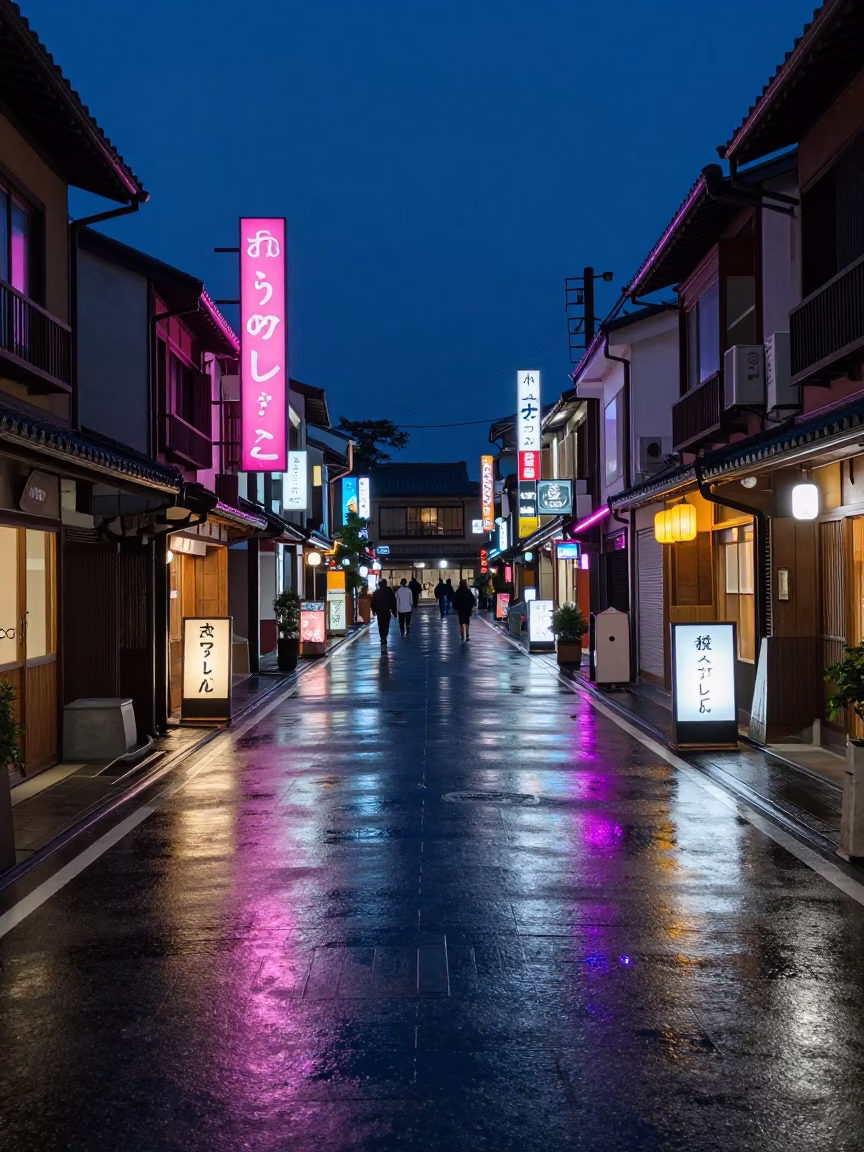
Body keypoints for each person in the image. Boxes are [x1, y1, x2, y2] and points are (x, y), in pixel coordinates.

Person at [370, 578, 397, 648]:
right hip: (387, 611)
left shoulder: (376, 593)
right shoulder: (389, 592)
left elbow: (373, 602)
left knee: (380, 625)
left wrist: (374, 610)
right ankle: (385, 636)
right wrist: (394, 611)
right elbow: (393, 601)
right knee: (386, 624)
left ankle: (382, 637)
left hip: (379, 612)